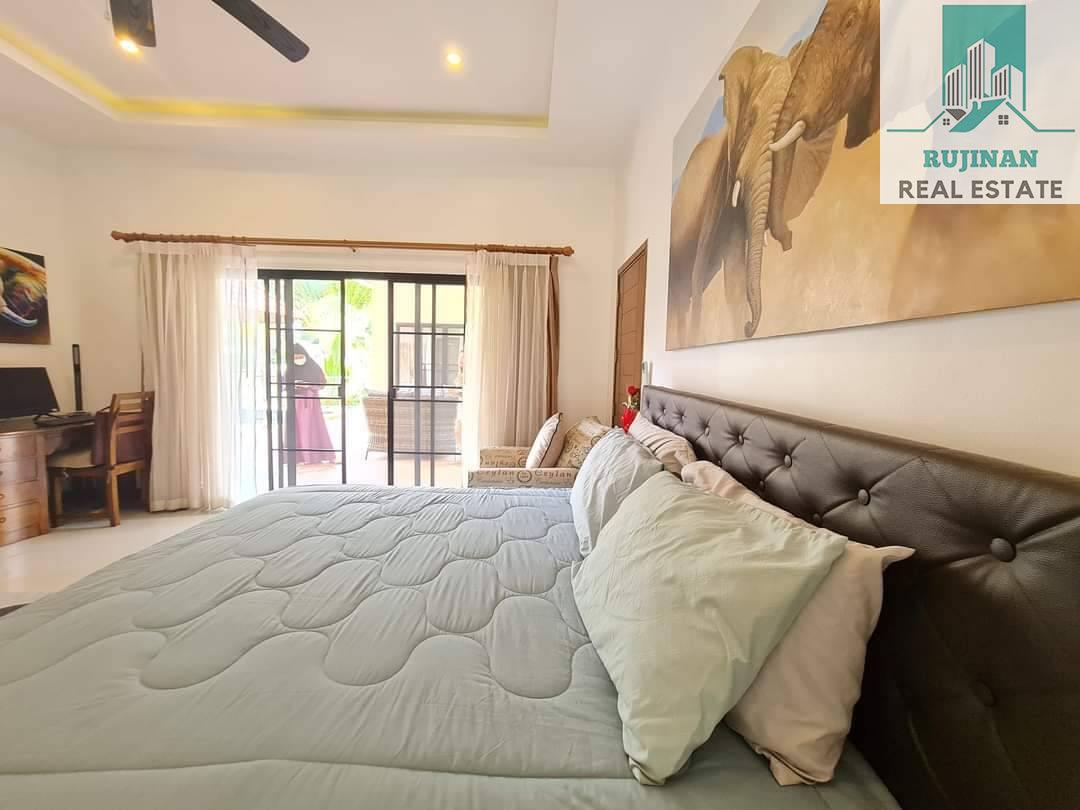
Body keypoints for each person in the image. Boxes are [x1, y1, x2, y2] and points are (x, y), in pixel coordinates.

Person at [288, 343, 336, 464]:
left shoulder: (313, 367)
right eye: (295, 357)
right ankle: (299, 457)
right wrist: (293, 385)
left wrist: (309, 385)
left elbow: (322, 382)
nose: (298, 359)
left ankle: (314, 456)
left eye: (300, 356)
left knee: (312, 427)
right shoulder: (289, 368)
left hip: (311, 402)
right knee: (296, 429)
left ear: (305, 355)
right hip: (295, 401)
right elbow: (283, 383)